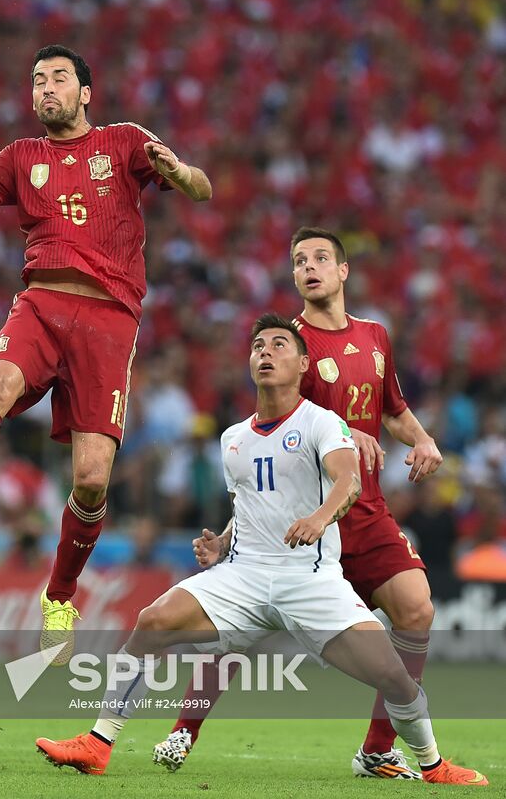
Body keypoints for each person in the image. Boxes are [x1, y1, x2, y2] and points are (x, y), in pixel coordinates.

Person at [35, 316, 486, 787]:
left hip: (308, 580)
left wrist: (320, 517)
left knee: (395, 679)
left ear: (303, 363)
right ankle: (98, 743)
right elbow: (249, 506)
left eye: (278, 346)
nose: (265, 353)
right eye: (257, 347)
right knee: (152, 621)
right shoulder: (233, 439)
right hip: (245, 577)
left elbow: (349, 480)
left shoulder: (323, 421)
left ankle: (433, 765)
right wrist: (222, 544)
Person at [0, 44, 212, 655]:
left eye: (59, 78)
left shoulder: (124, 141)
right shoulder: (22, 157)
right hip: (41, 302)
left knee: (93, 481)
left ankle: (60, 595)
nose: (46, 88)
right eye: (38, 80)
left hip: (109, 320)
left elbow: (201, 189)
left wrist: (175, 170)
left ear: (85, 92)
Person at [156, 226, 443, 779]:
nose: (307, 267)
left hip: (368, 509)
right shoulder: (290, 345)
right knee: (237, 630)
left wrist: (423, 439)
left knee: (417, 610)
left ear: (342, 272)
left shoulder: (376, 336)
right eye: (297, 261)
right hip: (303, 521)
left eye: (319, 258)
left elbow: (392, 408)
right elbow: (271, 440)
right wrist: (342, 434)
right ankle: (184, 730)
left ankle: (379, 750)